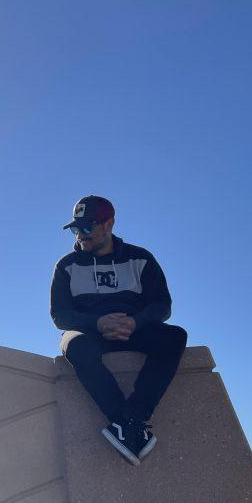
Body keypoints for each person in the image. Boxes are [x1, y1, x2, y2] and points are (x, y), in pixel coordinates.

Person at [50, 195, 187, 466]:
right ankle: (124, 421)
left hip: (133, 328)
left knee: (175, 336)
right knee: (75, 345)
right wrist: (98, 323)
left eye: (88, 227)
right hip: (88, 333)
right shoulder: (66, 266)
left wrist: (135, 322)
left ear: (109, 224)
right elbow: (60, 316)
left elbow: (162, 305)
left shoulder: (141, 258)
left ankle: (134, 417)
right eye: (76, 229)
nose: (81, 235)